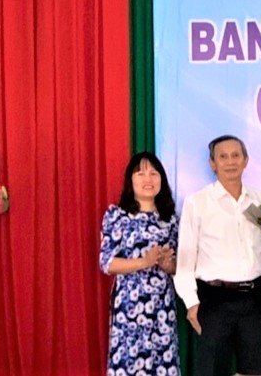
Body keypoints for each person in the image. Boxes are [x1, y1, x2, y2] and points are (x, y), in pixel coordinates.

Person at [173, 135, 261, 376]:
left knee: (256, 371)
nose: (230, 162)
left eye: (236, 155)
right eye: (223, 157)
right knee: (212, 370)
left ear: (246, 160)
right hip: (213, 299)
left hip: (255, 298)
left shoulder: (260, 200)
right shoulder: (197, 202)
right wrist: (192, 303)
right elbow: (185, 259)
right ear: (212, 163)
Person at [99, 152, 180, 376]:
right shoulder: (117, 216)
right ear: (130, 180)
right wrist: (145, 261)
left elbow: (178, 267)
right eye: (141, 174)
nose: (148, 179)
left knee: (162, 366)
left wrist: (167, 264)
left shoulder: (170, 219)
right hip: (130, 308)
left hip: (162, 307)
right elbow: (107, 263)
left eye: (154, 173)